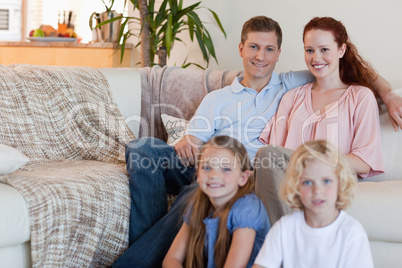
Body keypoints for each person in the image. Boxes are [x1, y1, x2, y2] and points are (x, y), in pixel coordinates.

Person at [112, 16, 401, 267]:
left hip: (245, 171)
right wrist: (186, 140)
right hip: (208, 160)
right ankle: (145, 243)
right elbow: (195, 140)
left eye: (269, 49)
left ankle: (134, 261)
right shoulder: (228, 98)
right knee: (142, 149)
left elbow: (354, 71)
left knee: (199, 192)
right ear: (241, 49)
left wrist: (388, 94)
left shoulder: (291, 84)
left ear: (278, 54)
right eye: (253, 47)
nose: (261, 56)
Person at [257, 16, 384, 224]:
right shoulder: (292, 97)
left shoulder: (360, 97)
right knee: (264, 158)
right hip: (291, 179)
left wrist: (314, 161)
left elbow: (363, 162)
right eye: (310, 50)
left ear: (341, 50)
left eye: (324, 49)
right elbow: (275, 155)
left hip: (329, 178)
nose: (316, 58)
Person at [253, 140, 374, 268]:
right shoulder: (284, 228)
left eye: (326, 181)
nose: (317, 191)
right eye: (308, 182)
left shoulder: (352, 233)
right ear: (295, 186)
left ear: (341, 184)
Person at [163, 136, 270, 268]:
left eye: (226, 169)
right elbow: (171, 259)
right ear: (197, 174)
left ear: (243, 177)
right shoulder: (198, 205)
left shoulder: (247, 208)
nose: (214, 175)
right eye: (207, 168)